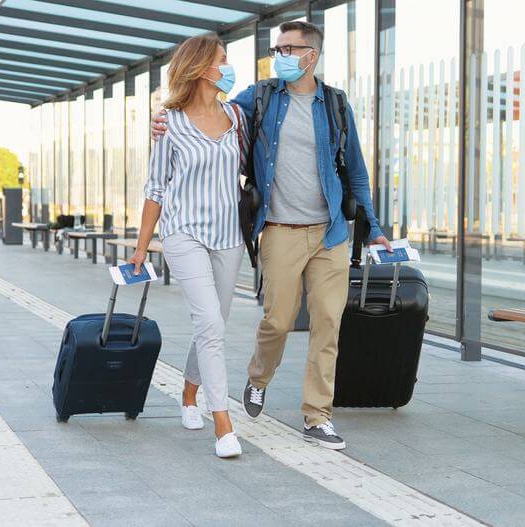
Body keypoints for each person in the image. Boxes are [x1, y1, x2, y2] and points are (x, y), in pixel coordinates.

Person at [153, 21, 391, 450]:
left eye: (286, 49)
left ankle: (317, 416)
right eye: (276, 48)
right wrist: (163, 124)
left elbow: (356, 169)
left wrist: (373, 228)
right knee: (278, 321)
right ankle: (258, 376)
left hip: (330, 233)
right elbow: (207, 113)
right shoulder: (258, 99)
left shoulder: (336, 105)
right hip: (280, 230)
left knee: (327, 324)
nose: (278, 56)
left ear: (310, 56)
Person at [130, 34, 245, 459]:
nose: (227, 67)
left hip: (228, 236)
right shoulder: (170, 123)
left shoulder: (236, 116)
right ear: (200, 68)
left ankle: (189, 394)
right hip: (184, 234)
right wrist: (142, 248)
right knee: (211, 323)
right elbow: (156, 187)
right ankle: (224, 426)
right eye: (221, 60)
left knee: (214, 323)